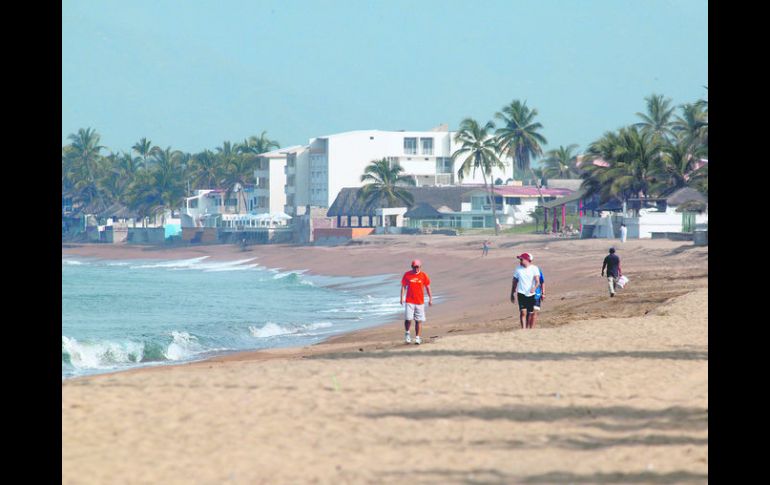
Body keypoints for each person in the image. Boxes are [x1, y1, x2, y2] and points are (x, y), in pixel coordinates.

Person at [400, 259, 432, 345]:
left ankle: (417, 338)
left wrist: (430, 298)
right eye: (414, 267)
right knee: (408, 319)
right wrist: (402, 297)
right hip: (409, 301)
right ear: (412, 267)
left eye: (417, 267)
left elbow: (428, 287)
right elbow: (403, 287)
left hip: (420, 302)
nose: (416, 269)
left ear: (420, 267)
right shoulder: (407, 275)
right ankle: (407, 334)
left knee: (418, 320)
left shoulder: (424, 275)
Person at [511, 253, 540, 329]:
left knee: (530, 313)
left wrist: (534, 288)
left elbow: (537, 281)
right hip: (521, 293)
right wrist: (512, 293)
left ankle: (529, 329)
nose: (520, 261)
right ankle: (523, 330)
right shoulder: (518, 269)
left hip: (531, 294)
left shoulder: (534, 268)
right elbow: (514, 281)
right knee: (523, 312)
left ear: (527, 260)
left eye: (521, 259)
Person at [531, 255, 545, 327]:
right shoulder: (522, 270)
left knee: (534, 312)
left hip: (536, 294)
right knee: (528, 313)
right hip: (526, 294)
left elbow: (542, 282)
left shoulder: (537, 269)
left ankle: (531, 329)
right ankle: (527, 328)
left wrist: (543, 293)